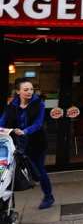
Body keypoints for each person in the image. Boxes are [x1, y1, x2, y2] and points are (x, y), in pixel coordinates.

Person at [0, 79, 53, 209]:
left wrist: (24, 131)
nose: (29, 92)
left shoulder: (38, 104)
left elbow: (38, 123)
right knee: (9, 171)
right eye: (26, 90)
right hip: (18, 143)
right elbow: (3, 120)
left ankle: (48, 196)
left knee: (39, 170)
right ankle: (5, 201)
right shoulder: (12, 105)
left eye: (31, 89)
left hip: (37, 142)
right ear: (18, 91)